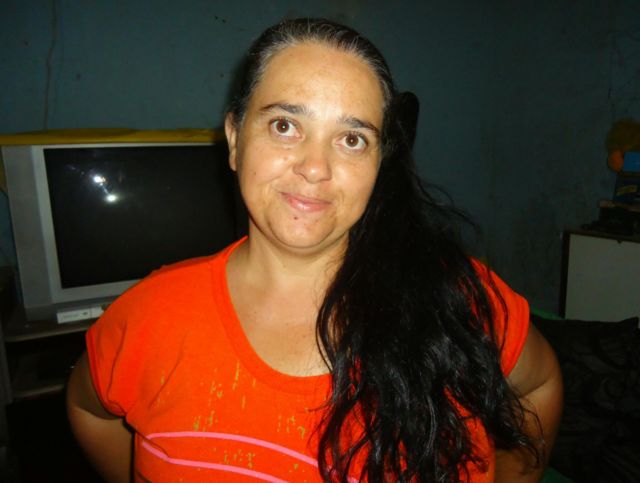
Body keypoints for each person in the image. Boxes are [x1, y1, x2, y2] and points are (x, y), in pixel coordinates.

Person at [66, 18, 562, 482]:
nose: (315, 167)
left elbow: (539, 384)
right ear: (235, 139)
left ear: (379, 164)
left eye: (352, 139)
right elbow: (89, 409)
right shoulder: (149, 315)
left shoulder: (455, 298)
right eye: (285, 125)